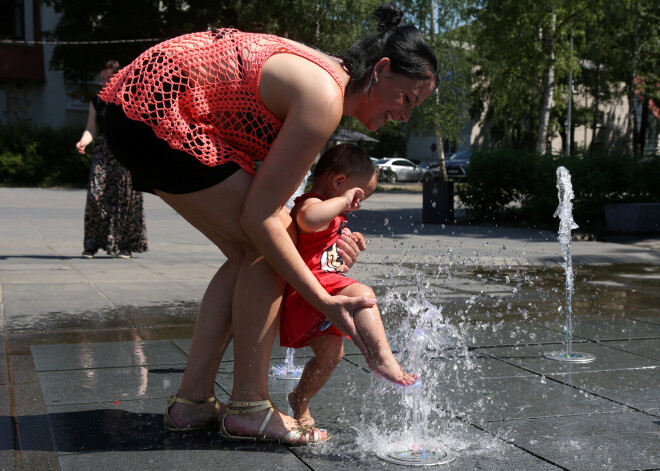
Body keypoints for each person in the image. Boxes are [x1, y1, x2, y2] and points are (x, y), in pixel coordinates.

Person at [100, 2, 438, 444]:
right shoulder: (325, 97)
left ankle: (193, 402)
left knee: (252, 248)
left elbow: (285, 207)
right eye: (407, 99)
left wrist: (330, 245)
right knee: (265, 241)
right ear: (382, 69)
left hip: (140, 111)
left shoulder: (326, 82)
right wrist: (322, 298)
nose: (405, 116)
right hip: (156, 111)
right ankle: (249, 406)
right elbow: (263, 218)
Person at [281, 144, 417, 427]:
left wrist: (351, 239)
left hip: (327, 288)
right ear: (339, 182)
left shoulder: (334, 214)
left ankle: (300, 399)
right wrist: (342, 203)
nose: (357, 205)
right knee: (364, 296)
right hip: (311, 290)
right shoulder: (310, 202)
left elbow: (329, 250)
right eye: (358, 197)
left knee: (331, 355)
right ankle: (382, 357)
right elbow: (307, 219)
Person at [76, 60, 148, 259]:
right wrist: (83, 141)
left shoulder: (130, 99)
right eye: (102, 79)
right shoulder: (97, 101)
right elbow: (91, 128)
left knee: (124, 198)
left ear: (119, 77)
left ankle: (122, 245)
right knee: (94, 194)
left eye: (109, 77)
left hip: (124, 151)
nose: (105, 81)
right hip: (102, 150)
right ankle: (92, 244)